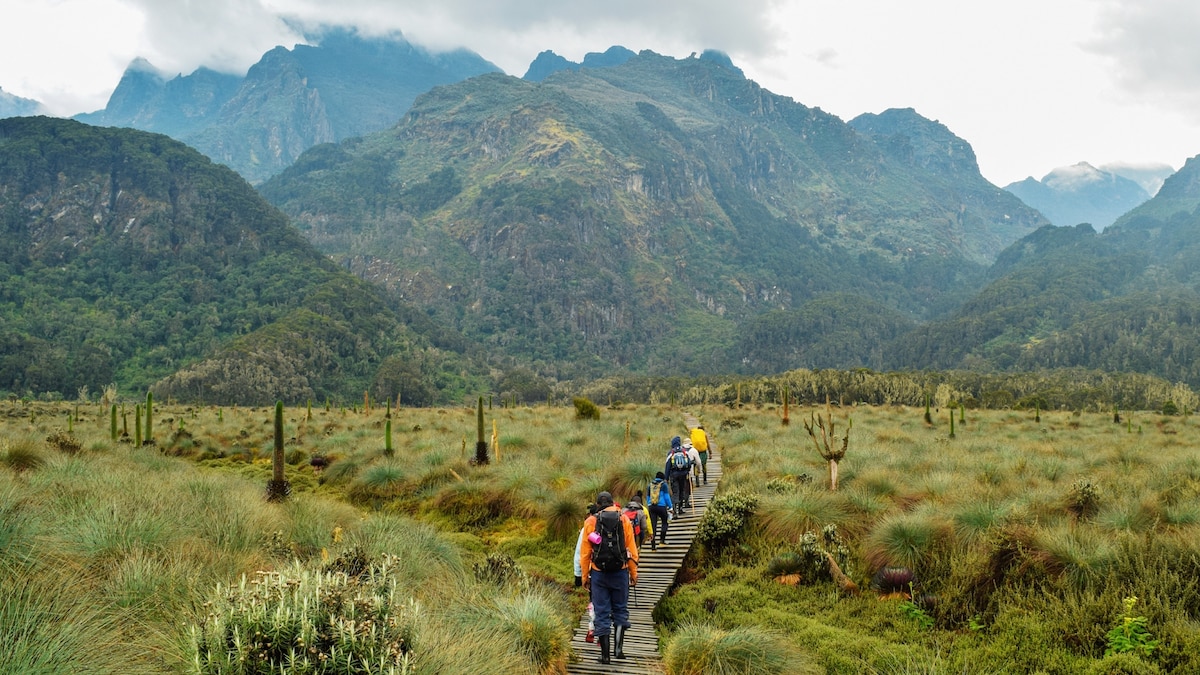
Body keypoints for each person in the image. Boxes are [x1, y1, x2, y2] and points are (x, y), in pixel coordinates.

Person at [580, 491, 639, 663]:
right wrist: (633, 573)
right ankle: (618, 650)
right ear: (613, 502)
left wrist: (585, 577)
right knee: (620, 609)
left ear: (598, 505)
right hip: (620, 572)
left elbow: (585, 554)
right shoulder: (624, 519)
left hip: (599, 574)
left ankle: (605, 656)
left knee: (602, 612)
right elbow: (631, 549)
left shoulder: (591, 522)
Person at [573, 503, 600, 642]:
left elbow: (581, 553)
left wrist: (579, 575)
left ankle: (592, 628)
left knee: (594, 600)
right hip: (614, 572)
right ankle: (604, 631)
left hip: (593, 571)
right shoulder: (617, 522)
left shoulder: (587, 527)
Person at [665, 436, 693, 515]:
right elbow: (689, 463)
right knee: (682, 491)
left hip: (674, 475)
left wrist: (666, 478)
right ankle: (680, 508)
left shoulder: (671, 453)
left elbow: (668, 466)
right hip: (683, 475)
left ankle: (674, 510)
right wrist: (687, 471)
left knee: (675, 492)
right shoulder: (684, 451)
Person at [646, 471, 673, 549]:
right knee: (665, 522)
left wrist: (649, 505)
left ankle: (653, 546)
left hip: (652, 507)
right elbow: (666, 497)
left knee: (653, 525)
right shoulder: (663, 485)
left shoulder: (650, 485)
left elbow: (648, 497)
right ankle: (662, 541)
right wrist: (670, 507)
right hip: (661, 506)